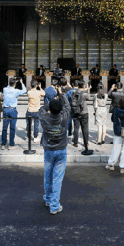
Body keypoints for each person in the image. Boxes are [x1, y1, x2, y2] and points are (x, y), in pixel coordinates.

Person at [40, 85, 71, 215]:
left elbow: (42, 109)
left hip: (48, 149)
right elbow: (67, 106)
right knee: (57, 179)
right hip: (61, 149)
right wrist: (61, 94)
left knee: (48, 175)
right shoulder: (64, 117)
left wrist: (51, 102)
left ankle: (48, 199)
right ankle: (54, 205)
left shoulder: (44, 118)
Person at [106, 97, 124, 174]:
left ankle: (111, 165)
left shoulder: (115, 110)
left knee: (116, 149)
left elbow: (112, 119)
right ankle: (123, 167)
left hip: (118, 132)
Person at [1, 77, 27, 150]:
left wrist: (12, 80)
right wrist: (21, 82)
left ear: (8, 83)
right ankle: (11, 144)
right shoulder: (16, 91)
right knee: (12, 128)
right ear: (15, 84)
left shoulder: (5, 89)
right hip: (13, 110)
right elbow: (24, 91)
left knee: (4, 127)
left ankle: (3, 143)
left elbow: (8, 86)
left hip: (5, 109)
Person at [69, 80, 89, 149]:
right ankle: (86, 142)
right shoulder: (85, 93)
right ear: (83, 86)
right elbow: (88, 98)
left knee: (76, 127)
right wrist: (87, 90)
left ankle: (75, 142)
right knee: (85, 127)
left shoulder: (74, 92)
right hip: (84, 112)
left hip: (76, 112)